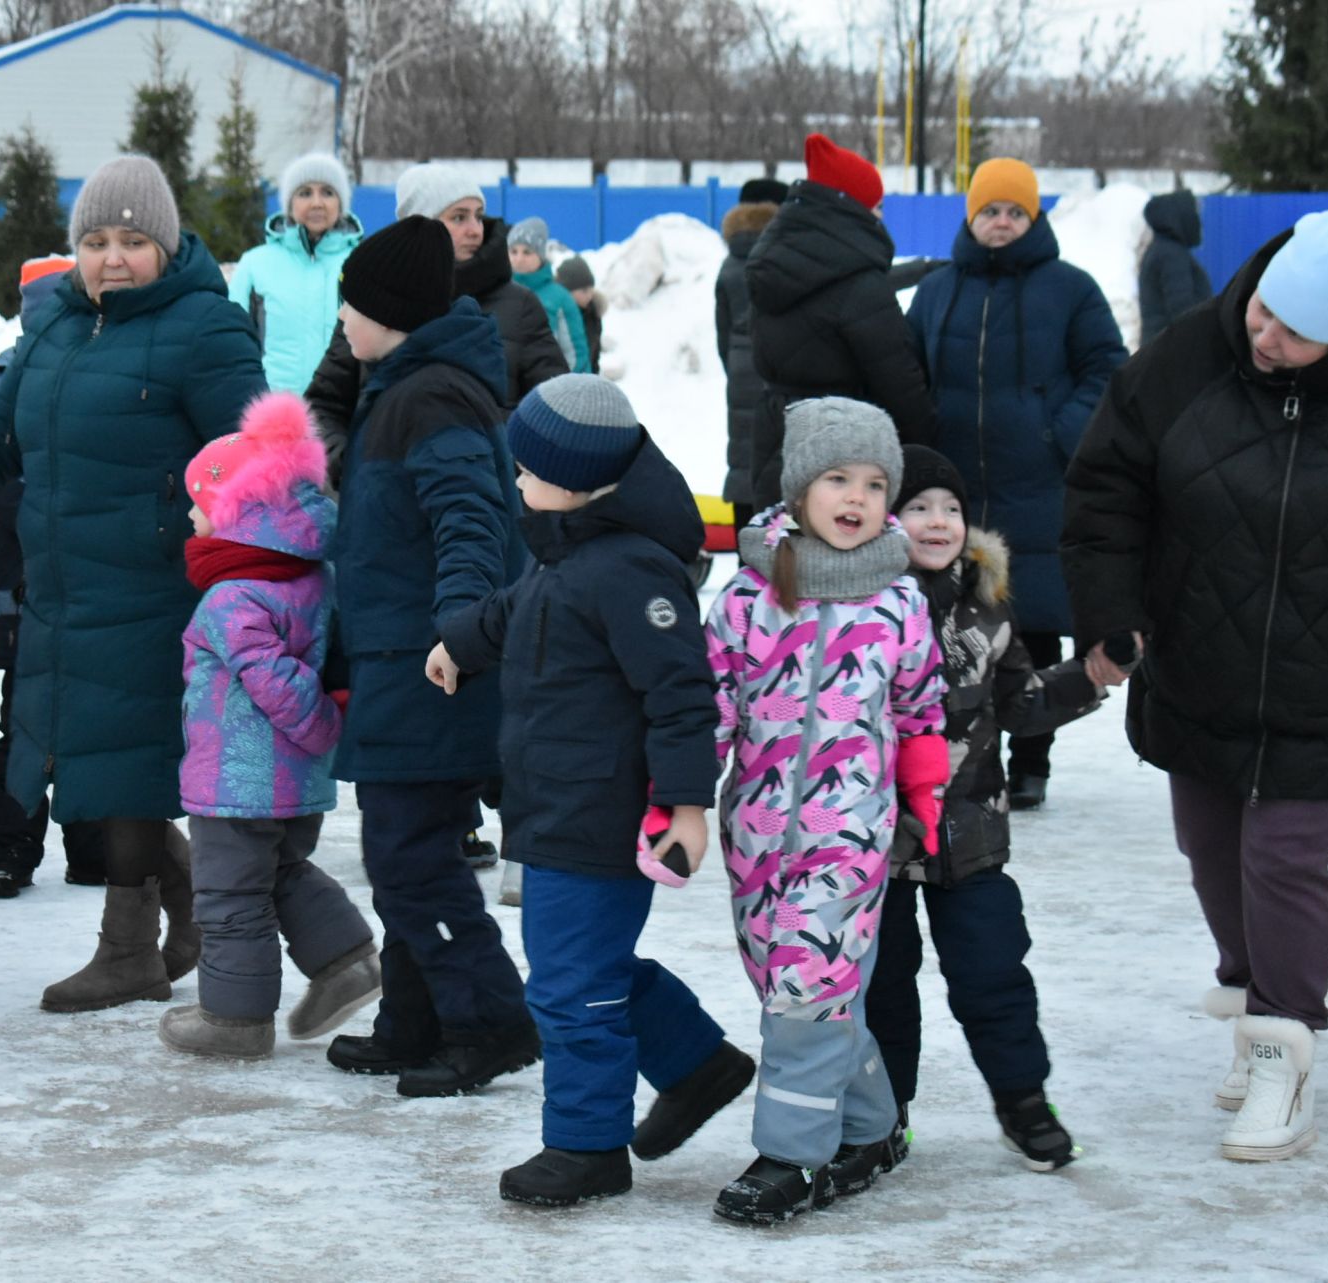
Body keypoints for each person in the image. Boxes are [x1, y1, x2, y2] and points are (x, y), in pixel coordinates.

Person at [1063, 210, 1328, 1162]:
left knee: (1283, 856)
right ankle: (1249, 987)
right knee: (1210, 847)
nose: (1265, 337)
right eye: (1266, 314)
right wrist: (1114, 610)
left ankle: (1284, 1045)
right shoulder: (1194, 352)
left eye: (1293, 332)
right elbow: (1108, 484)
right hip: (1200, 653)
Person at [0, 155, 264, 1011]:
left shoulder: (206, 328)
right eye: (95, 241)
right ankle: (183, 901)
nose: (112, 258)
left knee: (121, 766)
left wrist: (222, 546)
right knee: (91, 760)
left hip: (158, 588)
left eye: (132, 240)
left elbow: (258, 458)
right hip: (65, 585)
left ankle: (127, 949)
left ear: (165, 244)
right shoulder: (55, 327)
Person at [428, 375, 748, 1208]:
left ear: (573, 478)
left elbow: (683, 695)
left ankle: (586, 1146)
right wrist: (460, 644)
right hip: (556, 804)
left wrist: (686, 804)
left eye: (527, 469)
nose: (518, 482)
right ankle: (696, 1061)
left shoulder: (631, 569)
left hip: (600, 813)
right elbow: (515, 610)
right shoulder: (572, 549)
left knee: (570, 987)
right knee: (587, 967)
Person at [704, 397, 946, 1223]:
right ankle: (871, 1126)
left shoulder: (900, 605)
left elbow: (921, 714)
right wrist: (675, 804)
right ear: (800, 488)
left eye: (876, 483)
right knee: (796, 982)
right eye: (837, 478)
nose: (857, 497)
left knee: (809, 981)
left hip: (852, 831)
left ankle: (790, 1156)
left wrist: (926, 800)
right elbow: (714, 708)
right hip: (757, 831)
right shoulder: (749, 596)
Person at [319, 215, 537, 1095]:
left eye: (351, 306)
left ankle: (489, 1020)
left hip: (431, 664)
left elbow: (470, 516)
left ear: (390, 314)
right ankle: (415, 1020)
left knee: (411, 857)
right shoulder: (403, 385)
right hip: (398, 655)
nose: (341, 321)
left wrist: (458, 627)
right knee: (409, 849)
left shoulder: (429, 394)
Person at [867, 445, 1102, 1173]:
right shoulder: (860, 604)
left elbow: (1022, 706)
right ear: (884, 518)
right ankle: (883, 1114)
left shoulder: (988, 604)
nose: (938, 522)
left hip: (970, 835)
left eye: (951, 509)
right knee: (882, 986)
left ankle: (1023, 1100)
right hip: (875, 842)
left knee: (995, 969)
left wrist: (1093, 673)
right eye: (919, 507)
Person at [158, 391, 380, 1059]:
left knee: (228, 892)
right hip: (291, 781)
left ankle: (234, 1018)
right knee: (283, 869)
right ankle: (348, 961)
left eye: (200, 503)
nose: (191, 516)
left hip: (238, 778)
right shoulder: (309, 577)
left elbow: (275, 680)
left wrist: (318, 727)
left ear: (237, 515)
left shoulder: (232, 597)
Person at [907, 157, 1126, 811]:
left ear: (1033, 218)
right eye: (990, 210)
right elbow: (910, 370)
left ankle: (1031, 758)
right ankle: (968, 754)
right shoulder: (938, 290)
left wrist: (1057, 435)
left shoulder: (1071, 289)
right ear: (971, 216)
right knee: (956, 622)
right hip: (960, 488)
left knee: (1031, 623)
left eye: (1014, 212)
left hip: (1036, 483)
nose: (1001, 222)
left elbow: (1108, 369)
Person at [0, 255, 107, 898]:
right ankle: (13, 848)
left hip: (98, 591)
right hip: (25, 592)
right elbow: (5, 491)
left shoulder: (107, 373)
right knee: (24, 725)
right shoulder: (0, 386)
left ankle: (89, 849)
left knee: (90, 721)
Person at [306, 163, 567, 488]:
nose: (476, 229)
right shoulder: (375, 301)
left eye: (478, 214)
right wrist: (353, 463)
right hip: (383, 510)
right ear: (419, 227)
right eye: (459, 217)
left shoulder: (520, 306)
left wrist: (471, 447)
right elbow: (322, 406)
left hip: (484, 507)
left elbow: (554, 409)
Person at [744, 134, 935, 512]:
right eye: (877, 206)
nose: (881, 217)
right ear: (853, 209)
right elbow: (901, 385)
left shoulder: (774, 263)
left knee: (779, 556)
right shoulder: (860, 284)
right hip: (845, 450)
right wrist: (929, 455)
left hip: (776, 441)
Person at [227, 152, 362, 394]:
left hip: (344, 414)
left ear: (341, 204)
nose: (317, 203)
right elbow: (232, 345)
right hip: (273, 415)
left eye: (328, 192)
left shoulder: (362, 262)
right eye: (305, 193)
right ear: (289, 203)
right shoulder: (255, 264)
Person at [715, 178, 786, 535]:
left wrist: (735, 367)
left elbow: (721, 330)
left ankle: (745, 559)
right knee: (778, 463)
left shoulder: (730, 263)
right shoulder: (784, 256)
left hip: (740, 370)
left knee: (742, 463)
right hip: (778, 367)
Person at [506, 217, 590, 374]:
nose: (519, 259)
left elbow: (576, 354)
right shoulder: (499, 292)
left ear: (541, 255)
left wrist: (566, 390)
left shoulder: (560, 298)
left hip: (549, 389)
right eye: (513, 251)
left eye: (527, 252)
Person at [1138, 188, 1212, 342]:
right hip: (1170, 350)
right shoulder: (1171, 255)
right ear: (1182, 217)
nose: (1198, 222)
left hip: (1159, 346)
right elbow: (1182, 309)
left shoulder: (1161, 248)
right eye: (1195, 215)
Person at [552, 255, 603, 375]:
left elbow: (595, 356)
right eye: (584, 291)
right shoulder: (557, 316)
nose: (590, 295)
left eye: (591, 289)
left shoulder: (593, 314)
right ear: (566, 292)